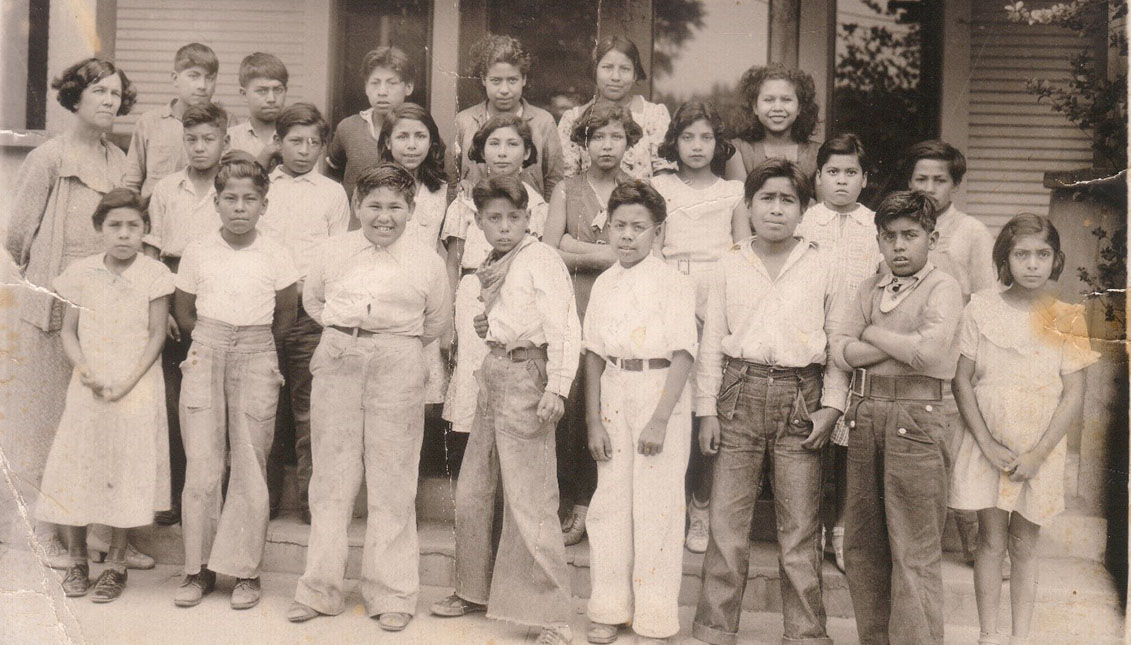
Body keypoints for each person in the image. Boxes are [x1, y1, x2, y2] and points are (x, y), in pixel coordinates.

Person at [3, 57, 155, 570]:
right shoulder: (49, 157)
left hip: (111, 319)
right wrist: (54, 283)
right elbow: (17, 236)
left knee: (107, 427)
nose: (110, 102)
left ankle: (107, 537)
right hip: (55, 313)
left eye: (116, 94)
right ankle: (43, 532)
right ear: (75, 97)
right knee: (50, 428)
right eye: (99, 92)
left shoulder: (121, 163)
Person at [288, 164, 451, 632]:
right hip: (339, 353)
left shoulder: (427, 260)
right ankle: (319, 590)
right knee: (331, 479)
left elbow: (436, 321)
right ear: (357, 206)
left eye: (395, 207)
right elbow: (314, 302)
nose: (384, 217)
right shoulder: (333, 250)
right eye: (374, 206)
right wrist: (349, 337)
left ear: (411, 210)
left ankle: (392, 594)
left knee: (393, 480)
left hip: (399, 358)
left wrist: (389, 344)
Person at [691, 159, 848, 645]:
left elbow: (838, 340)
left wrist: (833, 407)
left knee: (800, 528)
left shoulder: (825, 264)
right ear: (749, 205)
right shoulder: (728, 263)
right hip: (737, 395)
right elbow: (712, 339)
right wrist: (705, 411)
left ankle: (804, 634)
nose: (777, 209)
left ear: (804, 209)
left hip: (802, 398)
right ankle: (715, 629)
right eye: (767, 198)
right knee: (727, 526)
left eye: (788, 200)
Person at [430, 174, 581, 645]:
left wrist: (556, 389)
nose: (504, 227)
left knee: (530, 498)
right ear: (477, 222)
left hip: (527, 379)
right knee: (475, 489)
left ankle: (551, 613)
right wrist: (489, 322)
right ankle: (472, 589)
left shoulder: (542, 258)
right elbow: (511, 314)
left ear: (528, 219)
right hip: (494, 373)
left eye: (513, 218)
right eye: (493, 218)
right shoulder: (495, 261)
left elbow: (565, 328)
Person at [949, 214, 1095, 645]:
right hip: (989, 441)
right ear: (1005, 260)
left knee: (1025, 544)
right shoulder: (981, 307)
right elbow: (961, 380)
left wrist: (1038, 454)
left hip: (1039, 446)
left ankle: (1020, 639)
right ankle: (988, 635)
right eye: (1021, 254)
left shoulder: (1068, 317)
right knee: (991, 542)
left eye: (1042, 254)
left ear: (1056, 261)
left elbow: (1073, 394)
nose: (1032, 264)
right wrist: (986, 443)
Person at [829, 190, 964, 645]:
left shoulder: (942, 286)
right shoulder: (869, 288)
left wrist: (870, 332)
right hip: (865, 415)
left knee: (913, 549)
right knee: (864, 546)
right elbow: (842, 353)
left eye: (911, 235)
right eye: (890, 237)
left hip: (918, 416)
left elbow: (928, 354)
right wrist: (887, 341)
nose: (900, 246)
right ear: (879, 241)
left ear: (932, 237)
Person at [171, 157, 299, 610]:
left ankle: (246, 571)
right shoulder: (198, 250)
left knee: (249, 461)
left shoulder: (276, 251)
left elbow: (286, 311)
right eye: (230, 199)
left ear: (264, 205)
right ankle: (196, 569)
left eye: (250, 200)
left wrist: (254, 345)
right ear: (217, 203)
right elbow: (184, 309)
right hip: (206, 347)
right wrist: (211, 340)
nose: (239, 208)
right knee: (203, 463)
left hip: (257, 349)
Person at [37, 189, 174, 603]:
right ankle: (78, 560)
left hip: (136, 384)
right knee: (77, 467)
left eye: (133, 226)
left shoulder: (155, 274)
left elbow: (155, 336)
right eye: (115, 225)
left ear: (145, 230)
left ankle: (116, 563)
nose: (124, 234)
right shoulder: (80, 273)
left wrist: (129, 382)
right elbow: (68, 331)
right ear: (99, 229)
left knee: (127, 468)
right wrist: (87, 372)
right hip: (90, 384)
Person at [582, 180, 697, 644]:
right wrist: (593, 420)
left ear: (657, 232)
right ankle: (609, 607)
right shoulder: (605, 283)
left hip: (659, 390)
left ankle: (654, 616)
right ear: (607, 228)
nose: (627, 236)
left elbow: (684, 353)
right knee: (609, 502)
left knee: (657, 505)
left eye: (639, 227)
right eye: (619, 226)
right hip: (614, 386)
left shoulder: (674, 282)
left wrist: (659, 418)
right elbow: (592, 352)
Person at [650, 101, 745, 554]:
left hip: (718, 290)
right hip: (671, 288)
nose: (697, 146)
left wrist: (723, 307)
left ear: (718, 143)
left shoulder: (732, 192)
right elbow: (654, 248)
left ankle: (701, 505)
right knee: (668, 398)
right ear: (674, 141)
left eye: (706, 137)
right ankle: (667, 503)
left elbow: (744, 251)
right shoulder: (660, 186)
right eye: (688, 137)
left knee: (708, 400)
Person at [543, 102, 637, 547]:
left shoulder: (636, 191)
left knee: (609, 406)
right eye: (597, 136)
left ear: (629, 143)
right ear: (584, 142)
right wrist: (601, 254)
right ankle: (569, 501)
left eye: (615, 137)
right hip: (575, 304)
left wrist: (574, 245)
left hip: (622, 303)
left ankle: (593, 504)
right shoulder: (568, 188)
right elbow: (548, 248)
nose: (606, 145)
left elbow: (644, 249)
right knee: (574, 401)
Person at [904, 139, 997, 566]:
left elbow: (985, 300)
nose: (929, 187)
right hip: (910, 358)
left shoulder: (973, 233)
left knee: (958, 451)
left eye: (939, 180)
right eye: (920, 178)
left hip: (955, 359)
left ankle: (977, 544)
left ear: (955, 185)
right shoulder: (900, 228)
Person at [258, 103, 350, 523]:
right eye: (295, 141)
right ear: (277, 142)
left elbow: (337, 256)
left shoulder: (332, 193)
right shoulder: (263, 189)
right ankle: (263, 499)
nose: (305, 150)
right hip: (263, 305)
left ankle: (312, 501)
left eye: (314, 142)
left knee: (310, 407)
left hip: (311, 306)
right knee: (263, 405)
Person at [796, 133, 881, 571]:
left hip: (855, 346)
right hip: (811, 343)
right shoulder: (804, 222)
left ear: (865, 180)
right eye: (833, 172)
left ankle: (843, 530)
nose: (842, 182)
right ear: (818, 178)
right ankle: (809, 530)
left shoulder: (875, 226)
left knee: (850, 445)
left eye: (851, 173)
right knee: (811, 441)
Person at [145, 101, 231, 526]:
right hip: (174, 286)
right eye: (191, 140)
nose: (199, 148)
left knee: (221, 398)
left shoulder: (232, 189)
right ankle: (176, 494)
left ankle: (223, 496)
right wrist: (163, 305)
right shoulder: (166, 189)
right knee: (177, 399)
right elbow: (152, 251)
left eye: (208, 139)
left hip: (219, 291)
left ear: (225, 141)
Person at [441, 114, 548, 441]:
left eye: (513, 144)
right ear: (481, 150)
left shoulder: (538, 205)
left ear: (528, 152)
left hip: (519, 299)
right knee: (473, 379)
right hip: (473, 293)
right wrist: (446, 324)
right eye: (494, 144)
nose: (503, 152)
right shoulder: (465, 201)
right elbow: (452, 263)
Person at [379, 103, 452, 408]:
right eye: (403, 136)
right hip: (388, 294)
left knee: (429, 388)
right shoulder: (377, 187)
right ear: (387, 142)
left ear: (432, 142)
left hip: (429, 295)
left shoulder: (443, 190)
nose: (411, 145)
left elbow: (448, 250)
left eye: (420, 136)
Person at [454, 34, 563, 200]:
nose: (504, 89)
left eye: (512, 80)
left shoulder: (543, 122)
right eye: (496, 81)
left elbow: (554, 182)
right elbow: (451, 179)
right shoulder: (465, 121)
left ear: (524, 79)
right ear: (483, 79)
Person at [557, 35, 675, 179]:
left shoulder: (654, 116)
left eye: (625, 69)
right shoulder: (574, 119)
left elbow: (664, 174)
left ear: (635, 73)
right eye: (607, 67)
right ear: (595, 71)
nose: (616, 77)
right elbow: (568, 180)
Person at [124, 43, 220, 198]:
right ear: (175, 79)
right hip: (156, 215)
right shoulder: (150, 122)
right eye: (194, 76)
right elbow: (131, 184)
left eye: (209, 78)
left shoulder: (225, 123)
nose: (202, 86)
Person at [326, 46, 415, 199]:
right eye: (375, 83)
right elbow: (332, 178)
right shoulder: (348, 128)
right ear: (366, 86)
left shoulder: (421, 132)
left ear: (408, 87)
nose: (382, 91)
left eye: (391, 83)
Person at [724, 63, 820, 189]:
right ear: (755, 107)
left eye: (786, 99)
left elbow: (823, 207)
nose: (777, 108)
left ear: (799, 108)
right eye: (769, 100)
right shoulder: (740, 150)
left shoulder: (817, 153)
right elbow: (739, 203)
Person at [228, 52, 288, 163]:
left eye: (278, 90)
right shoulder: (230, 139)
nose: (271, 99)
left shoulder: (296, 137)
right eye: (262, 91)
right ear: (244, 94)